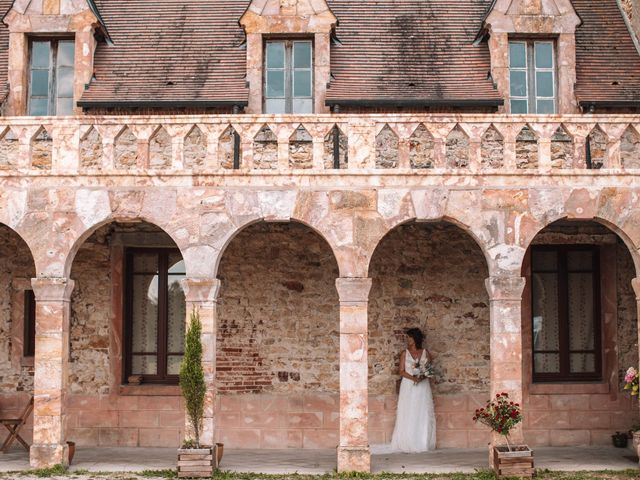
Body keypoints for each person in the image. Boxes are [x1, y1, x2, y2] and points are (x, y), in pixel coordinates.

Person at [389, 327, 436, 452]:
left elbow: (430, 369)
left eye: (409, 337)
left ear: (415, 339)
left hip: (423, 385)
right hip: (409, 385)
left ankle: (422, 441)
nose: (407, 340)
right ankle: (407, 441)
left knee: (422, 411)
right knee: (408, 411)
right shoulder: (405, 353)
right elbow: (401, 371)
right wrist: (414, 379)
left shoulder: (426, 353)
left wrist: (423, 375)